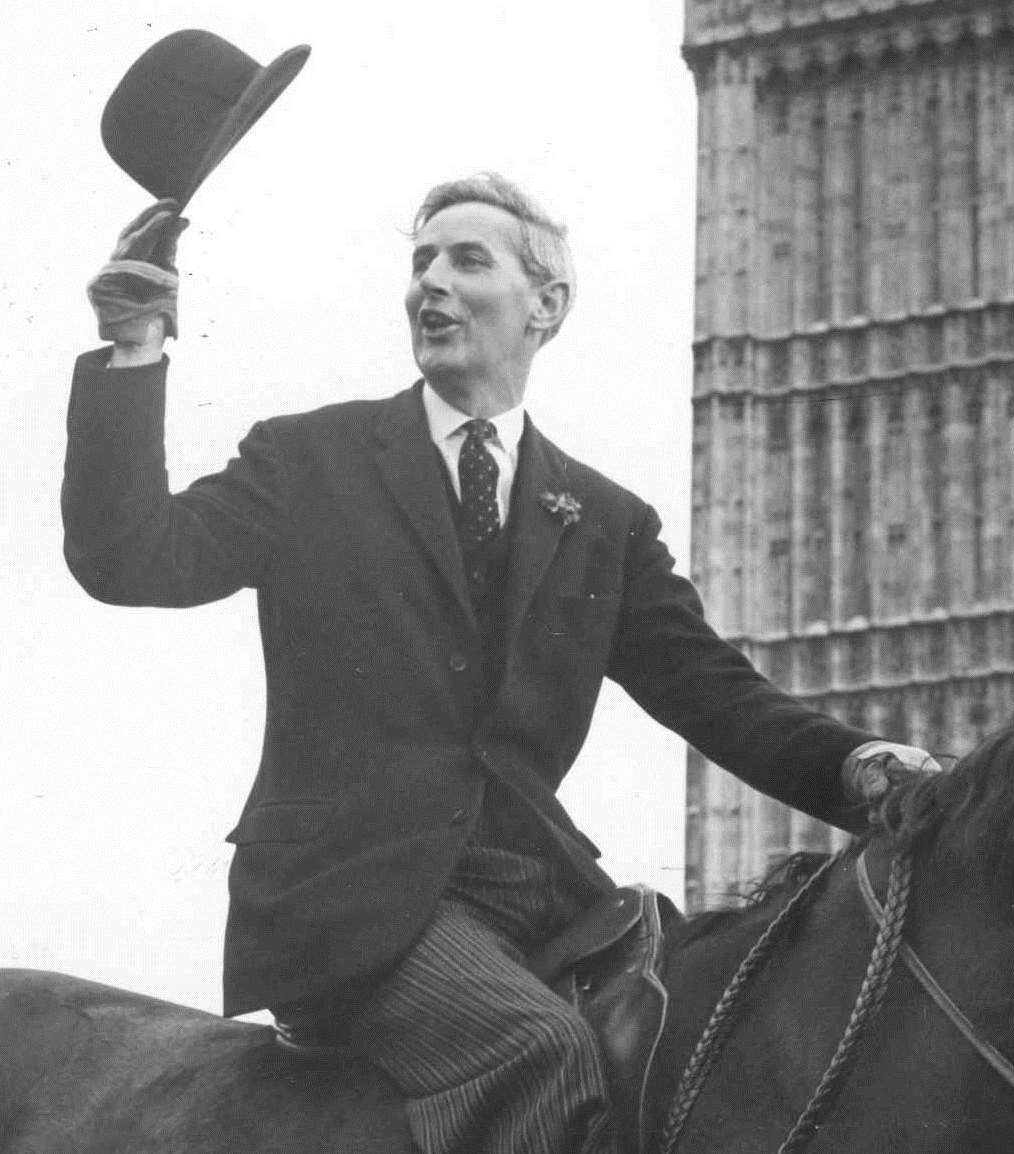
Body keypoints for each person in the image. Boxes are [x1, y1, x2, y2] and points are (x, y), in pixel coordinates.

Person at [66, 173, 939, 1154]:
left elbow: (717, 695)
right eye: (420, 261)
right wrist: (135, 350)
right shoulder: (310, 457)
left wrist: (855, 763)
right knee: (543, 1054)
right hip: (346, 901)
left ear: (546, 304)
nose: (428, 283)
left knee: (717, 1041)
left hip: (543, 903)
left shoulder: (603, 520)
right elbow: (131, 557)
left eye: (464, 258)